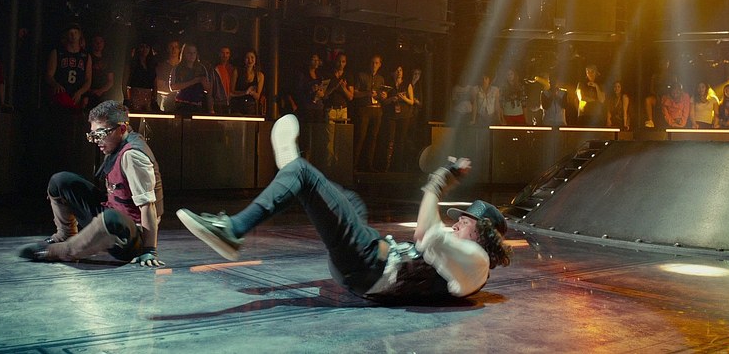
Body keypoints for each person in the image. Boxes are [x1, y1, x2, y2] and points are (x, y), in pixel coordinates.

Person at [176, 114, 511, 302]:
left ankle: (233, 230)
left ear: (482, 234)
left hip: (366, 266)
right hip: (367, 262)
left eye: (466, 221)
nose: (458, 223)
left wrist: (438, 182)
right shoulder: (467, 260)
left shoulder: (477, 261)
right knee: (352, 202)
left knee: (304, 174)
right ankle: (292, 176)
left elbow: (424, 234)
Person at [18, 100, 164, 267]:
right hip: (114, 214)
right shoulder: (116, 144)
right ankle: (65, 235)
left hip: (131, 237)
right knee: (61, 181)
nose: (96, 141)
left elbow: (148, 206)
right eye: (93, 135)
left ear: (122, 129)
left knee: (112, 218)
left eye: (100, 134)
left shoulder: (132, 155)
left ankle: (61, 251)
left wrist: (149, 250)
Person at [45, 24, 92, 110]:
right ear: (66, 35)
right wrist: (55, 84)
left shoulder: (86, 56)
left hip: (77, 93)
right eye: (71, 33)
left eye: (75, 33)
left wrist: (80, 92)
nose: (73, 35)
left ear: (79, 35)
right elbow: (49, 75)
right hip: (62, 92)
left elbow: (88, 79)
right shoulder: (57, 52)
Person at [354, 54, 386, 171]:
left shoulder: (381, 79)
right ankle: (354, 165)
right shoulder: (361, 76)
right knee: (360, 137)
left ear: (380, 65)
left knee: (373, 138)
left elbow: (381, 96)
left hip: (377, 109)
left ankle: (369, 165)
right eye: (372, 62)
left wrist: (383, 95)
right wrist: (367, 93)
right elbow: (354, 94)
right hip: (365, 109)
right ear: (369, 63)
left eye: (376, 63)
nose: (374, 65)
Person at [382, 65, 414, 172]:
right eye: (397, 70)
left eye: (400, 70)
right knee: (390, 140)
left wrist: (403, 98)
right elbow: (384, 102)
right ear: (392, 73)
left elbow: (411, 101)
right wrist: (392, 99)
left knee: (400, 141)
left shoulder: (407, 84)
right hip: (391, 115)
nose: (399, 72)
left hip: (404, 116)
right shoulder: (389, 85)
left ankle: (397, 166)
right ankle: (387, 165)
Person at [170, 43, 212, 116]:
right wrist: (194, 81)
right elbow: (173, 87)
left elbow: (208, 89)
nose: (192, 55)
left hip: (198, 105)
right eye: (189, 53)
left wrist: (211, 108)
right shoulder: (177, 68)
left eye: (194, 53)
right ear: (184, 54)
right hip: (182, 105)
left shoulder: (201, 68)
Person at [122, 41, 157, 112]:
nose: (144, 49)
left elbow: (155, 83)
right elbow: (124, 83)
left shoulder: (151, 65)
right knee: (135, 116)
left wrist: (154, 98)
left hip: (148, 97)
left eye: (147, 47)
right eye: (142, 47)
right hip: (134, 96)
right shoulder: (132, 63)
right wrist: (126, 98)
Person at [644, 57, 677, 128]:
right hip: (657, 97)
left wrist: (668, 97)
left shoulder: (673, 76)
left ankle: (672, 121)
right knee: (648, 100)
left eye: (666, 62)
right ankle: (650, 121)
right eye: (662, 63)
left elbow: (675, 89)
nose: (664, 64)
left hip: (669, 98)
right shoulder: (655, 76)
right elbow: (651, 89)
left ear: (668, 64)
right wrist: (657, 96)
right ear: (660, 64)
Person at [229, 49, 264, 115]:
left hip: (251, 107)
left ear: (255, 59)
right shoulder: (236, 71)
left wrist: (252, 92)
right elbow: (231, 92)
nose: (250, 60)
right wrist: (245, 92)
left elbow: (257, 96)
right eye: (247, 58)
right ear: (244, 59)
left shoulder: (260, 75)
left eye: (252, 57)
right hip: (237, 105)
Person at [85, 34, 115, 109]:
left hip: (103, 96)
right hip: (89, 94)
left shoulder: (107, 59)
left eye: (101, 41)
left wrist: (100, 91)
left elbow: (110, 80)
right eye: (96, 41)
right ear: (92, 43)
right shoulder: (87, 57)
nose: (98, 44)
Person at [156, 39, 181, 112]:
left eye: (176, 47)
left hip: (182, 102)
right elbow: (159, 86)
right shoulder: (162, 66)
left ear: (179, 49)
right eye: (171, 47)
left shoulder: (183, 67)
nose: (174, 49)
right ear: (168, 49)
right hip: (166, 101)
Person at [214, 46, 234, 115]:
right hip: (219, 102)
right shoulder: (215, 69)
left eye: (227, 53)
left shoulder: (232, 68)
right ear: (219, 54)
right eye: (223, 53)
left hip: (231, 100)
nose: (225, 55)